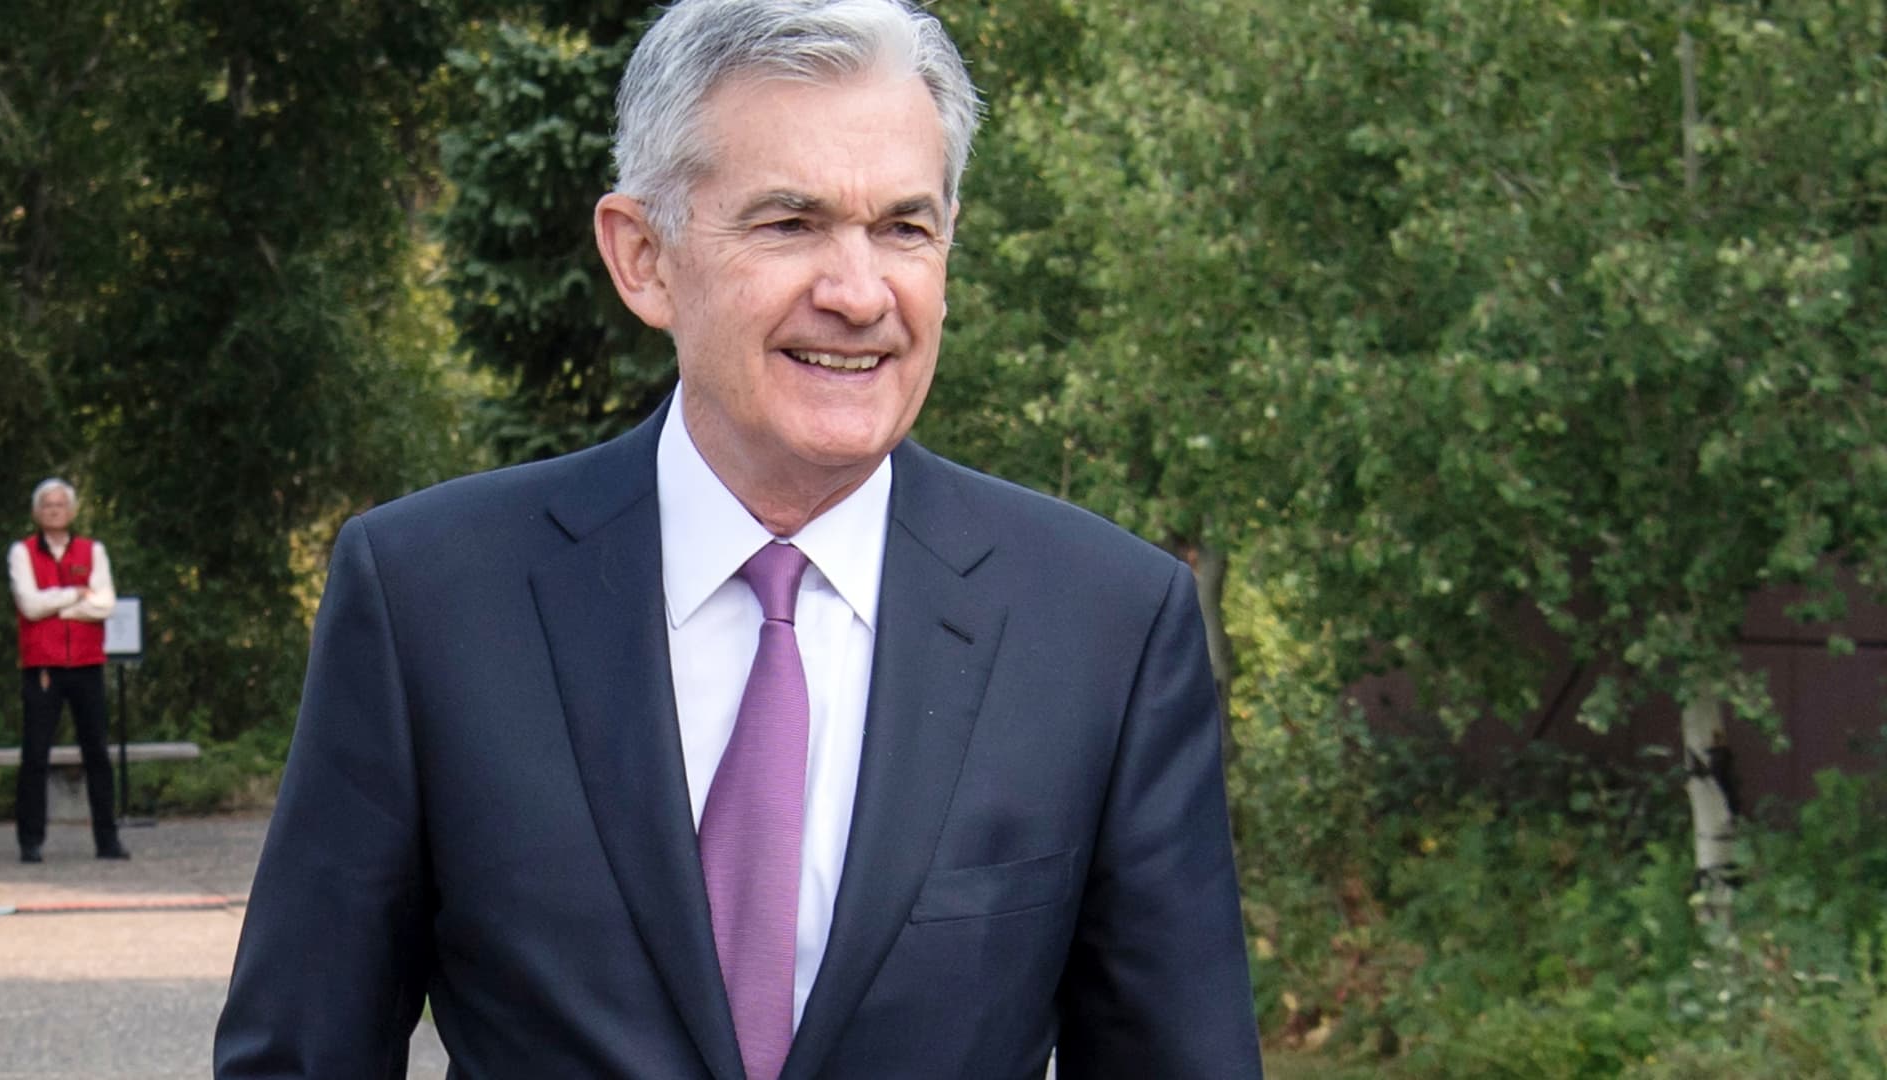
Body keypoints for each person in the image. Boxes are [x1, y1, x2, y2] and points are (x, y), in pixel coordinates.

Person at [215, 1, 1261, 1076]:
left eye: (903, 228)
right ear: (644, 258)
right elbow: (300, 1054)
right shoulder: (430, 598)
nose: (858, 293)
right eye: (790, 223)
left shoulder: (1104, 625)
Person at [9, 477, 128, 863]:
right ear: (37, 512)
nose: (54, 511)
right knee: (35, 754)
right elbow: (29, 605)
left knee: (97, 753)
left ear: (72, 511)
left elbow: (106, 603)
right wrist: (76, 595)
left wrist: (55, 605)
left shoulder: (93, 551)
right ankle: (30, 841)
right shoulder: (23, 552)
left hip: (87, 664)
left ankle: (107, 841)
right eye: (47, 505)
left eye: (60, 504)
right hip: (43, 666)